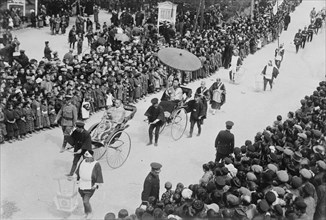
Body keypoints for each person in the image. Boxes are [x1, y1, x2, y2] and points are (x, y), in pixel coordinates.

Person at [75, 150, 103, 220]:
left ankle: (89, 212)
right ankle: (86, 212)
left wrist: (96, 184)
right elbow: (78, 171)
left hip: (90, 186)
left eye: (87, 157)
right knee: (84, 200)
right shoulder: (82, 162)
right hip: (81, 185)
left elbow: (99, 175)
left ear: (91, 157)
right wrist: (76, 178)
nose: (86, 159)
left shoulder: (96, 164)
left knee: (85, 201)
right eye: (85, 157)